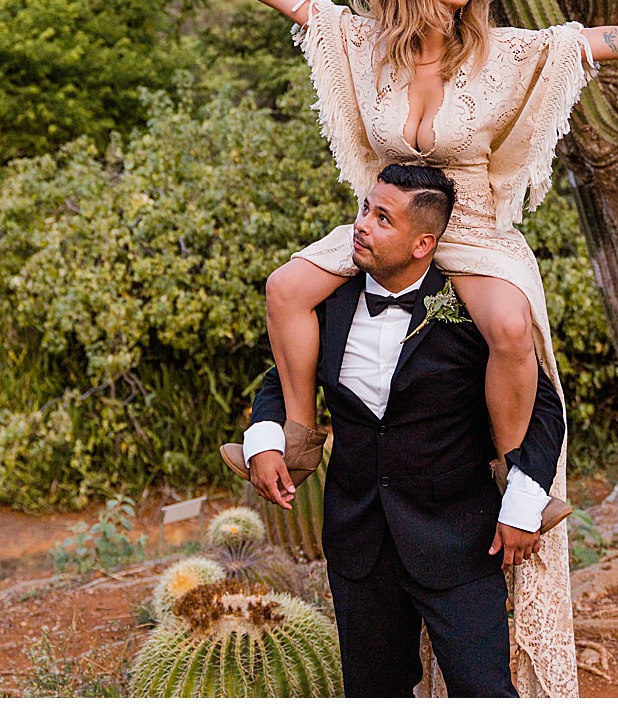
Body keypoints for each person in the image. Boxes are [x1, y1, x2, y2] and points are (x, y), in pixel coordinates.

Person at [183, 0, 618, 694]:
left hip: (474, 228)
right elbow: (299, 4)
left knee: (508, 323)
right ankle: (299, 428)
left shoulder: (499, 53)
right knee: (284, 285)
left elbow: (592, 41)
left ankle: (511, 470)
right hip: (391, 225)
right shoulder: (371, 49)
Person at [242, 162, 564, 696]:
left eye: (383, 219)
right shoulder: (329, 301)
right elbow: (286, 375)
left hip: (460, 541)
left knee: (484, 692)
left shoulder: (469, 310)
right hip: (358, 540)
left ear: (423, 244)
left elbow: (543, 409)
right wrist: (265, 439)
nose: (362, 225)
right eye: (365, 209)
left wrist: (523, 504)